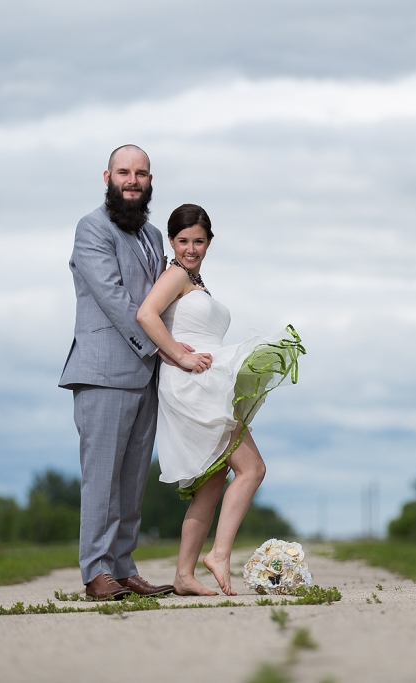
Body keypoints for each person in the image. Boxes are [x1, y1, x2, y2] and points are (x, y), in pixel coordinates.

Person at [137, 203, 304, 596]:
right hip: (194, 383)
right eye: (182, 241)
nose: (190, 249)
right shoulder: (176, 274)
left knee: (211, 486)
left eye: (198, 241)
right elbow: (147, 314)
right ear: (172, 241)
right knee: (252, 469)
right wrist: (178, 354)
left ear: (209, 241)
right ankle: (220, 554)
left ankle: (183, 575)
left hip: (207, 379)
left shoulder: (194, 279)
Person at [58, 145, 178, 600]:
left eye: (141, 174)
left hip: (147, 376)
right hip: (104, 373)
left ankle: (123, 567)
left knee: (131, 483)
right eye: (124, 173)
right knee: (102, 479)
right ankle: (96, 573)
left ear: (150, 181)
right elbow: (113, 298)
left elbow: (161, 300)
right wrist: (166, 349)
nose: (133, 181)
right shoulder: (91, 228)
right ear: (107, 176)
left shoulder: (151, 235)